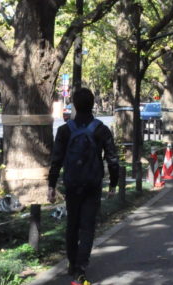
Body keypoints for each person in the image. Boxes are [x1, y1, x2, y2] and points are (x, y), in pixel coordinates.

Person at [48, 87, 120, 281]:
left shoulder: (64, 130)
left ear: (74, 105)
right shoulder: (101, 129)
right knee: (88, 225)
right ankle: (81, 266)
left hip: (72, 183)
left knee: (72, 224)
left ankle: (72, 263)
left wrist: (51, 185)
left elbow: (56, 160)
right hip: (92, 183)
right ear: (93, 104)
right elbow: (113, 159)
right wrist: (113, 183)